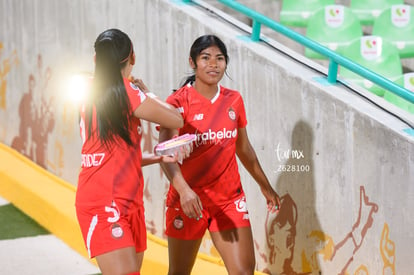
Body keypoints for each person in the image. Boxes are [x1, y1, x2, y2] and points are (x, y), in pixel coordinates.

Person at [159, 34, 281, 275]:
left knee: (244, 272)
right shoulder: (177, 102)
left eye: (220, 58)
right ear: (192, 62)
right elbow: (165, 152)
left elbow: (243, 148)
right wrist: (184, 191)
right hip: (189, 201)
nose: (213, 64)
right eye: (206, 58)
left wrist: (264, 185)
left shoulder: (233, 100)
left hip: (228, 200)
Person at [75, 28, 184, 275]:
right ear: (132, 58)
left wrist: (157, 157)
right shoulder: (127, 91)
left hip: (130, 203)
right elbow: (175, 119)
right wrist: (146, 92)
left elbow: (116, 155)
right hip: (105, 204)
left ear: (96, 60)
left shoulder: (91, 88)